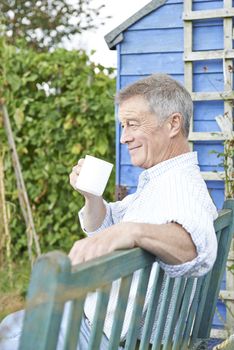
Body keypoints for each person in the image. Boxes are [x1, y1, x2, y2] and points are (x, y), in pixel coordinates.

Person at [0, 73, 218, 349]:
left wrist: (131, 231)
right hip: (99, 324)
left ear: (173, 123)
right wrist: (92, 198)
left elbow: (199, 247)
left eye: (133, 124)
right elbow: (109, 223)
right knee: (10, 325)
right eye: (122, 126)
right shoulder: (162, 182)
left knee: (9, 334)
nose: (124, 137)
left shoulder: (182, 188)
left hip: (100, 334)